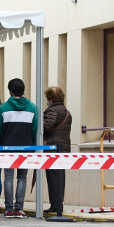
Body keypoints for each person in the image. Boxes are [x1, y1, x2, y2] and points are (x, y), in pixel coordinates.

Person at [0, 78, 38, 219]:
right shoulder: (32, 107)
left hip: (7, 148)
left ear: (11, 91)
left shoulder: (4, 107)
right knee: (22, 178)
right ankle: (19, 209)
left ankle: (8, 209)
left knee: (8, 178)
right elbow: (35, 129)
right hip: (26, 148)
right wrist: (34, 147)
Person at [43, 86, 71, 216]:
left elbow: (47, 127)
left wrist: (40, 122)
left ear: (51, 99)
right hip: (64, 148)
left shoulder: (52, 111)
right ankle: (59, 203)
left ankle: (55, 205)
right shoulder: (66, 112)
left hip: (53, 148)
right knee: (60, 177)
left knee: (52, 177)